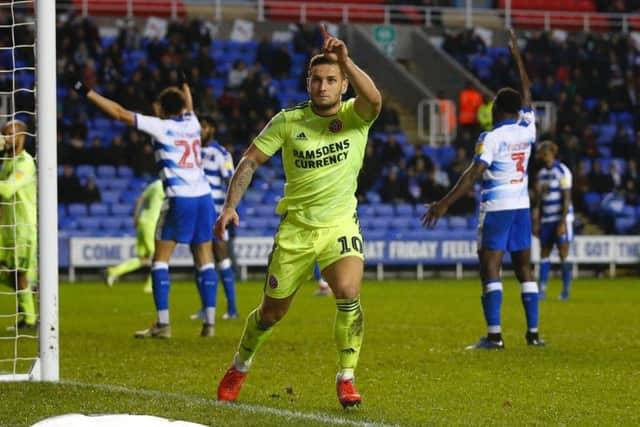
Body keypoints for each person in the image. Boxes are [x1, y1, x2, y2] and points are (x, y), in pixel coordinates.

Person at [215, 25, 382, 408]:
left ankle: (346, 377)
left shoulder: (355, 117)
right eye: (316, 79)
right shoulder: (288, 121)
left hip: (340, 224)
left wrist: (347, 61)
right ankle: (240, 364)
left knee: (348, 292)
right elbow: (249, 161)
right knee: (271, 314)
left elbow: (374, 99)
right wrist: (229, 206)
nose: (323, 86)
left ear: (343, 85)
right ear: (308, 82)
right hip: (296, 229)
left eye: (331, 80)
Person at [424, 30, 544, 350]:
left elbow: (475, 172)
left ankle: (494, 336)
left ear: (497, 109)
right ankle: (533, 334)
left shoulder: (491, 138)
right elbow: (528, 92)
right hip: (521, 205)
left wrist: (445, 203)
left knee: (490, 266)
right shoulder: (527, 129)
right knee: (523, 268)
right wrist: (518, 58)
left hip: (497, 207)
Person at [73, 73, 217, 338]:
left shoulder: (160, 126)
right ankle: (209, 324)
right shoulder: (192, 122)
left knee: (160, 260)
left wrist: (86, 92)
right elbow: (189, 105)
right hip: (204, 197)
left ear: (159, 108)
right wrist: (185, 84)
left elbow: (118, 113)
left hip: (179, 197)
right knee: (204, 259)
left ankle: (163, 324)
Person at [193, 116, 239, 320]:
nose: (200, 130)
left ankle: (232, 308)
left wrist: (229, 209)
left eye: (203, 127)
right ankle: (206, 307)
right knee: (198, 259)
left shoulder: (221, 154)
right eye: (199, 126)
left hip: (214, 212)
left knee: (221, 257)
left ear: (211, 128)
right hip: (195, 211)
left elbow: (232, 180)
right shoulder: (192, 151)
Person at [0, 120, 37, 330]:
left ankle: (29, 318)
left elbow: (6, 190)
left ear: (22, 136)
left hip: (22, 228)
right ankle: (30, 294)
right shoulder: (6, 160)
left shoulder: (25, 162)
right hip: (5, 227)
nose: (6, 138)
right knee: (15, 275)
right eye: (4, 134)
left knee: (18, 274)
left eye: (10, 134)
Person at [104, 179, 164, 294]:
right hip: (152, 224)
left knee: (143, 259)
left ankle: (113, 271)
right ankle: (150, 286)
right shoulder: (169, 185)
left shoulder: (155, 184)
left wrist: (136, 217)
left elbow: (140, 199)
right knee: (158, 256)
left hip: (143, 222)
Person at [533, 141, 574, 301]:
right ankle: (542, 289)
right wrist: (536, 219)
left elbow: (567, 198)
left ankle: (565, 290)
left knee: (564, 252)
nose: (542, 156)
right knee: (545, 252)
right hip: (547, 219)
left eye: (544, 152)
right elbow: (538, 201)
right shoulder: (541, 174)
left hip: (560, 218)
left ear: (552, 153)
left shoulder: (562, 171)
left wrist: (563, 222)